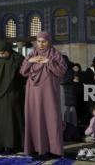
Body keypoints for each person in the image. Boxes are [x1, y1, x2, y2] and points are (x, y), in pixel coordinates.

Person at [20, 31, 67, 159]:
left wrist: (48, 61)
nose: (41, 44)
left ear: (49, 41)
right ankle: (36, 148)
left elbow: (61, 71)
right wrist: (31, 61)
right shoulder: (32, 54)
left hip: (49, 93)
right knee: (35, 118)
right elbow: (23, 72)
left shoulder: (55, 54)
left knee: (51, 119)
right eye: (38, 41)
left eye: (44, 41)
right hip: (33, 94)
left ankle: (53, 150)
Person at [0, 40, 25, 153]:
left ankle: (12, 145)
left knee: (10, 120)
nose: (1, 55)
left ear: (9, 50)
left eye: (3, 53)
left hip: (11, 95)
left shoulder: (18, 59)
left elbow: (22, 76)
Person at [61, 55, 78, 127]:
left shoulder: (69, 70)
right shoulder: (63, 70)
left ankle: (70, 128)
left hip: (67, 95)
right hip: (64, 94)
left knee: (69, 112)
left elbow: (64, 80)